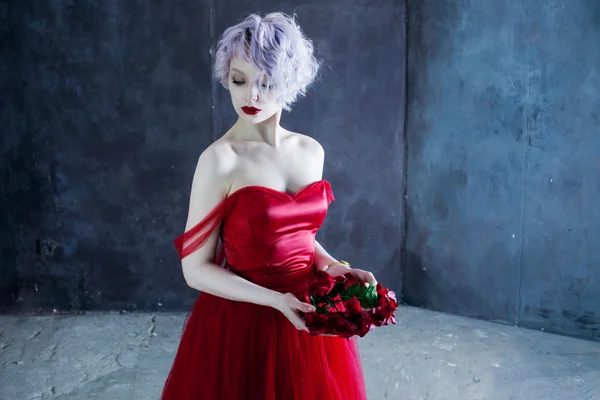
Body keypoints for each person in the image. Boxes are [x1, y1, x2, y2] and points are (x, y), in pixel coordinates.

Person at [161, 12, 377, 400]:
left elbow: (296, 237)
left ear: (289, 83)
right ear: (226, 77)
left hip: (308, 315)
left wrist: (334, 267)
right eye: (240, 80)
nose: (251, 96)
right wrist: (276, 301)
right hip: (246, 321)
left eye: (266, 82)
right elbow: (194, 270)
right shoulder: (220, 160)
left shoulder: (310, 152)